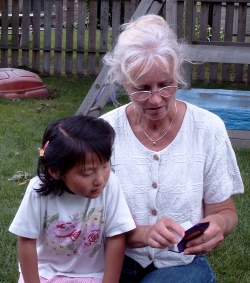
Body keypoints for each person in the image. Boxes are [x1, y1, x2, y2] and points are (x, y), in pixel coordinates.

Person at [100, 14, 244, 283]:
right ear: (124, 84)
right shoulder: (104, 132)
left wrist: (219, 225)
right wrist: (142, 234)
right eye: (142, 89)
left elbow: (225, 211)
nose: (156, 99)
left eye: (166, 84)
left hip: (181, 264)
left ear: (178, 73)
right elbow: (88, 219)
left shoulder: (207, 128)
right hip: (113, 261)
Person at [9, 115, 136, 283]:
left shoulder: (110, 184)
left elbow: (116, 237)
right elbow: (26, 240)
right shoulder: (37, 191)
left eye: (105, 165)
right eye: (87, 173)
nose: (100, 179)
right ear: (55, 171)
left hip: (93, 275)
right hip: (45, 273)